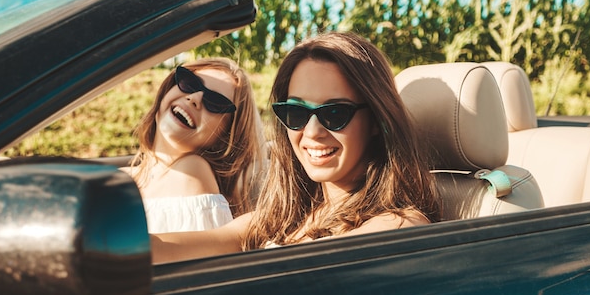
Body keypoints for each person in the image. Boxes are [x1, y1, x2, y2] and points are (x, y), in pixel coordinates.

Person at [150, 31, 441, 263]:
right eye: (296, 114)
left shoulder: (397, 226)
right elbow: (179, 248)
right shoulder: (283, 217)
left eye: (335, 114)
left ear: (376, 120)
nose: (311, 132)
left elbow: (303, 279)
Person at [122, 57, 266, 233]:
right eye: (189, 82)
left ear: (225, 136)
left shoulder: (192, 172)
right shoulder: (123, 176)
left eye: (215, 102)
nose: (194, 98)